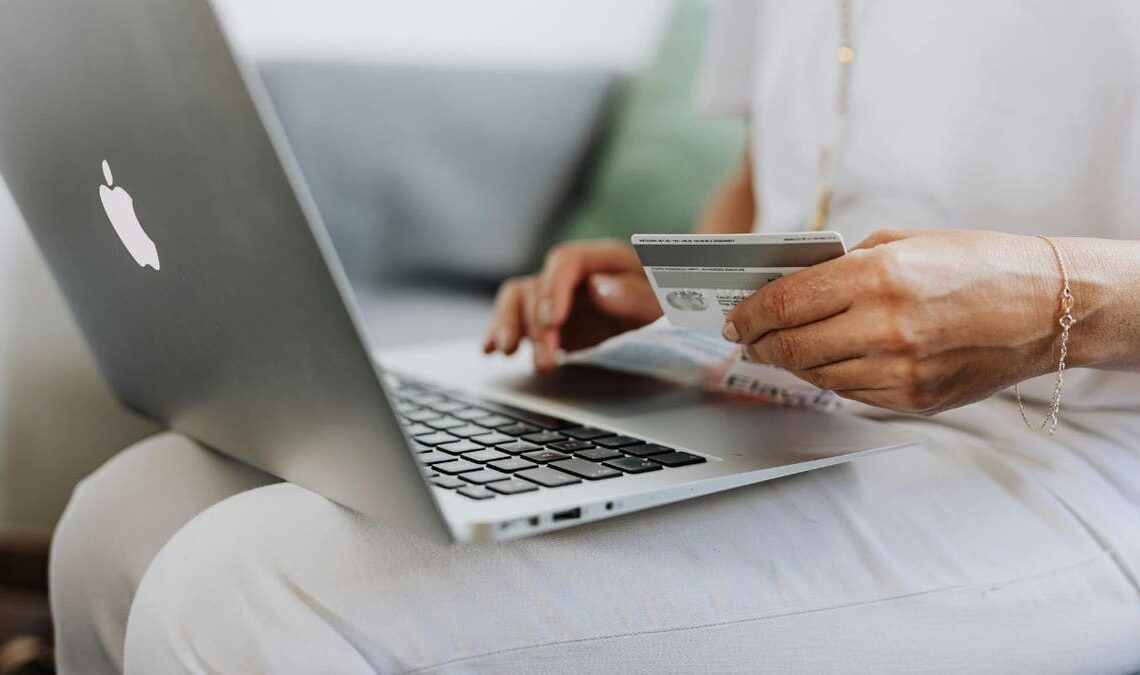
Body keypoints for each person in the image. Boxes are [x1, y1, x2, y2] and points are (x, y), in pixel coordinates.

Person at [51, 2, 1140, 672]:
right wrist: (690, 297)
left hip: (1075, 453)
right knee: (129, 512)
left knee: (244, 595)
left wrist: (1055, 294)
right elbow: (774, 178)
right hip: (802, 401)